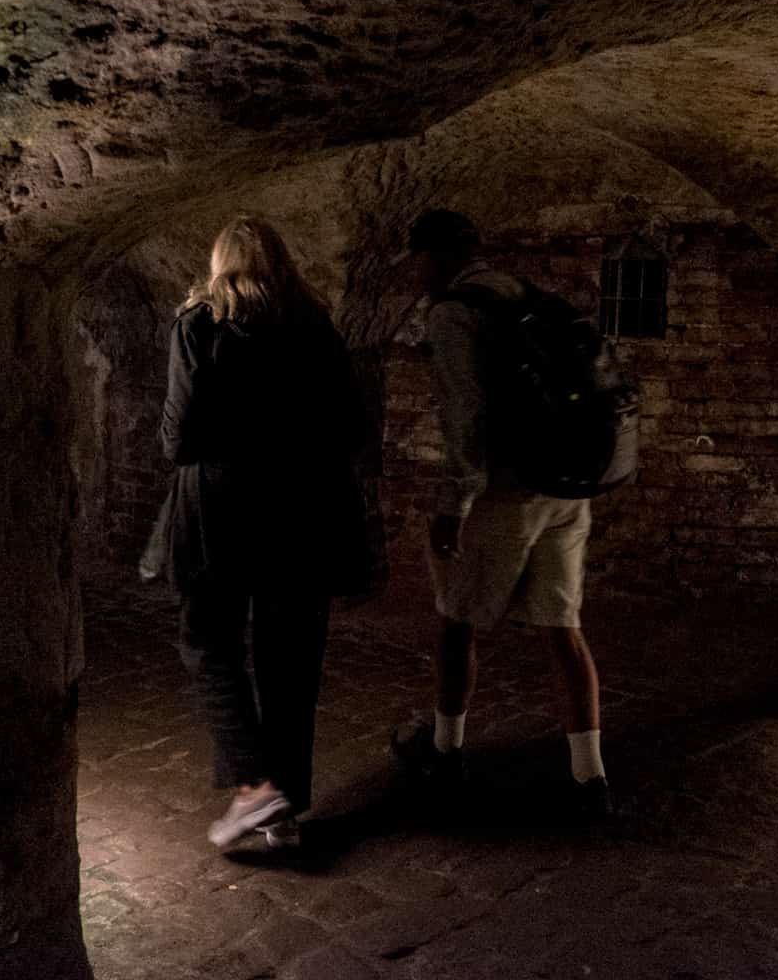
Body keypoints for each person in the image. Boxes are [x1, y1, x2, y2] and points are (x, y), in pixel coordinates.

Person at [391, 209, 612, 819]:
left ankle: (444, 750)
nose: (415, 274)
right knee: (562, 628)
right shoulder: (522, 294)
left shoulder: (455, 312)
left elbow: (468, 418)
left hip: (504, 493)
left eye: (417, 261)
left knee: (456, 622)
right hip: (566, 488)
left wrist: (451, 507)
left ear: (435, 256)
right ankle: (589, 778)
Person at [159, 214, 368, 850]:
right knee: (291, 660)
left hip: (220, 510)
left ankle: (253, 787)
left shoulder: (198, 325)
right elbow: (352, 426)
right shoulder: (315, 327)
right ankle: (287, 807)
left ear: (220, 263)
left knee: (208, 640)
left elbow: (179, 436)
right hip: (303, 512)